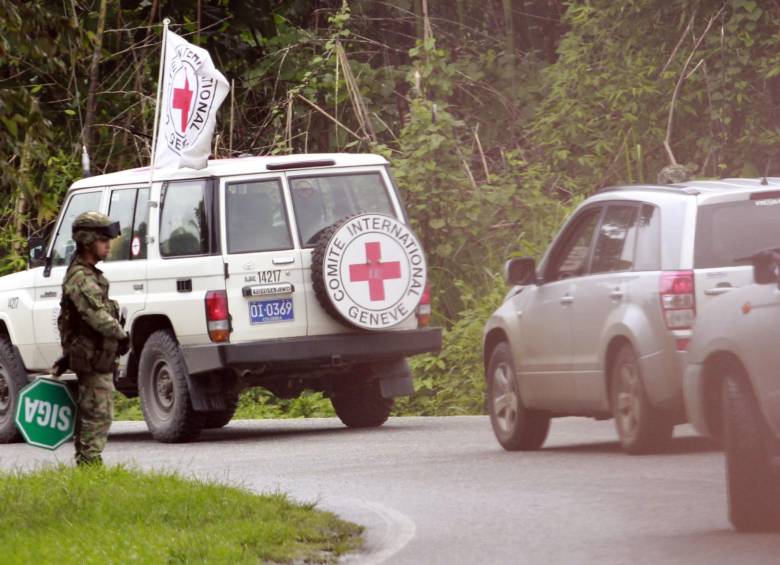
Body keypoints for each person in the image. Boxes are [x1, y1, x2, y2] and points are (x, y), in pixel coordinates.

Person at [55, 211, 129, 466]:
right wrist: (121, 335)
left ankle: (89, 465)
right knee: (97, 414)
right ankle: (90, 467)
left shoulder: (90, 275)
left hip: (97, 356)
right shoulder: (81, 278)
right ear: (87, 241)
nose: (108, 244)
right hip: (92, 357)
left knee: (99, 412)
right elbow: (96, 316)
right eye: (102, 239)